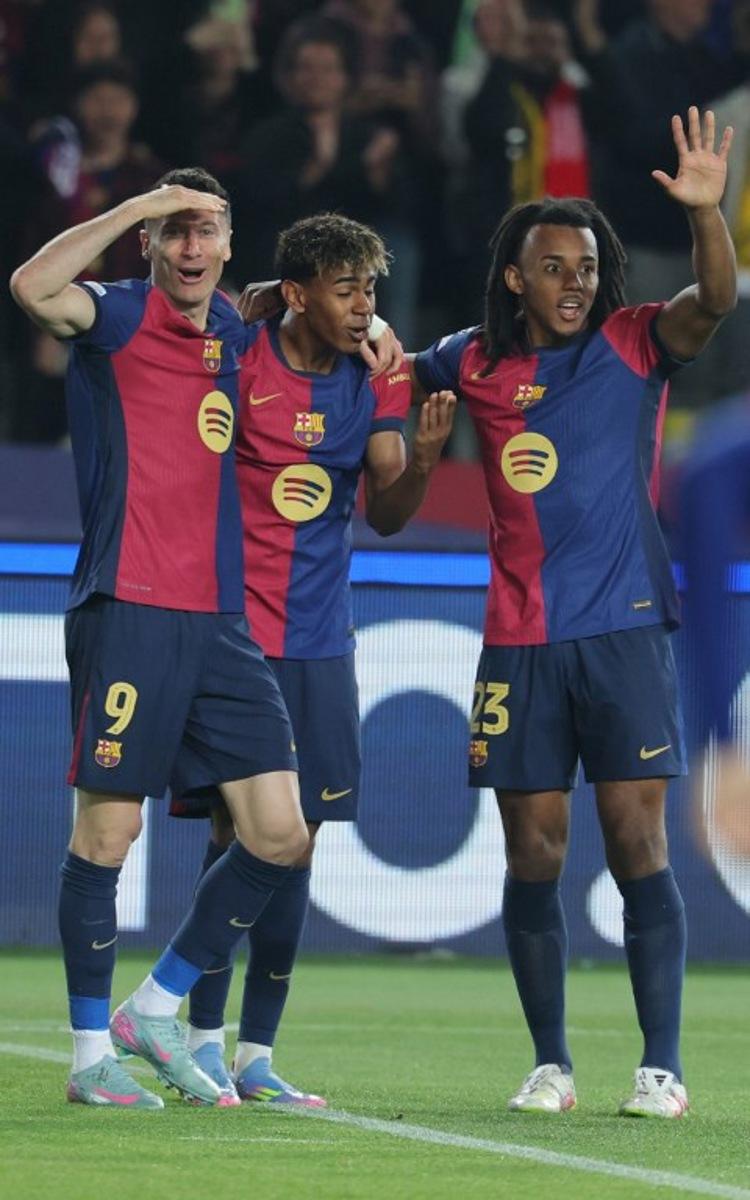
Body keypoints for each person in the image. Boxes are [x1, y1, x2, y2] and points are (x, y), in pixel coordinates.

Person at [409, 106, 736, 1117]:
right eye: (555, 267)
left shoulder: (637, 345)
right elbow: (378, 363)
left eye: (587, 267)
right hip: (520, 641)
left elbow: (717, 299)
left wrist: (706, 216)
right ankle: (550, 1060)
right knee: (534, 852)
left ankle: (663, 1068)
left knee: (640, 846)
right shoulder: (468, 362)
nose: (576, 283)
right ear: (518, 275)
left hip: (627, 630)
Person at [10, 167, 310, 1109]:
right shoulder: (113, 314)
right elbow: (28, 287)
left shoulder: (235, 329)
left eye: (206, 230)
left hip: (221, 618)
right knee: (110, 829)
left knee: (279, 832)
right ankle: (91, 1054)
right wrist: (137, 203)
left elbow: (337, 334)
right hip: (128, 605)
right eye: (172, 230)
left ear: (228, 244)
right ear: (149, 242)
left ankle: (160, 1001)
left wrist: (375, 331)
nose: (189, 246)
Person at [170, 211, 456, 1106]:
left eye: (370, 288)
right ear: (297, 294)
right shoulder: (242, 353)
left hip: (321, 640)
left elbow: (390, 509)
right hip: (232, 637)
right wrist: (243, 299)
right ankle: (199, 1040)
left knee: (301, 845)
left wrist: (427, 461)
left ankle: (257, 1055)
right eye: (346, 288)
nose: (364, 304)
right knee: (239, 834)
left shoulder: (378, 379)